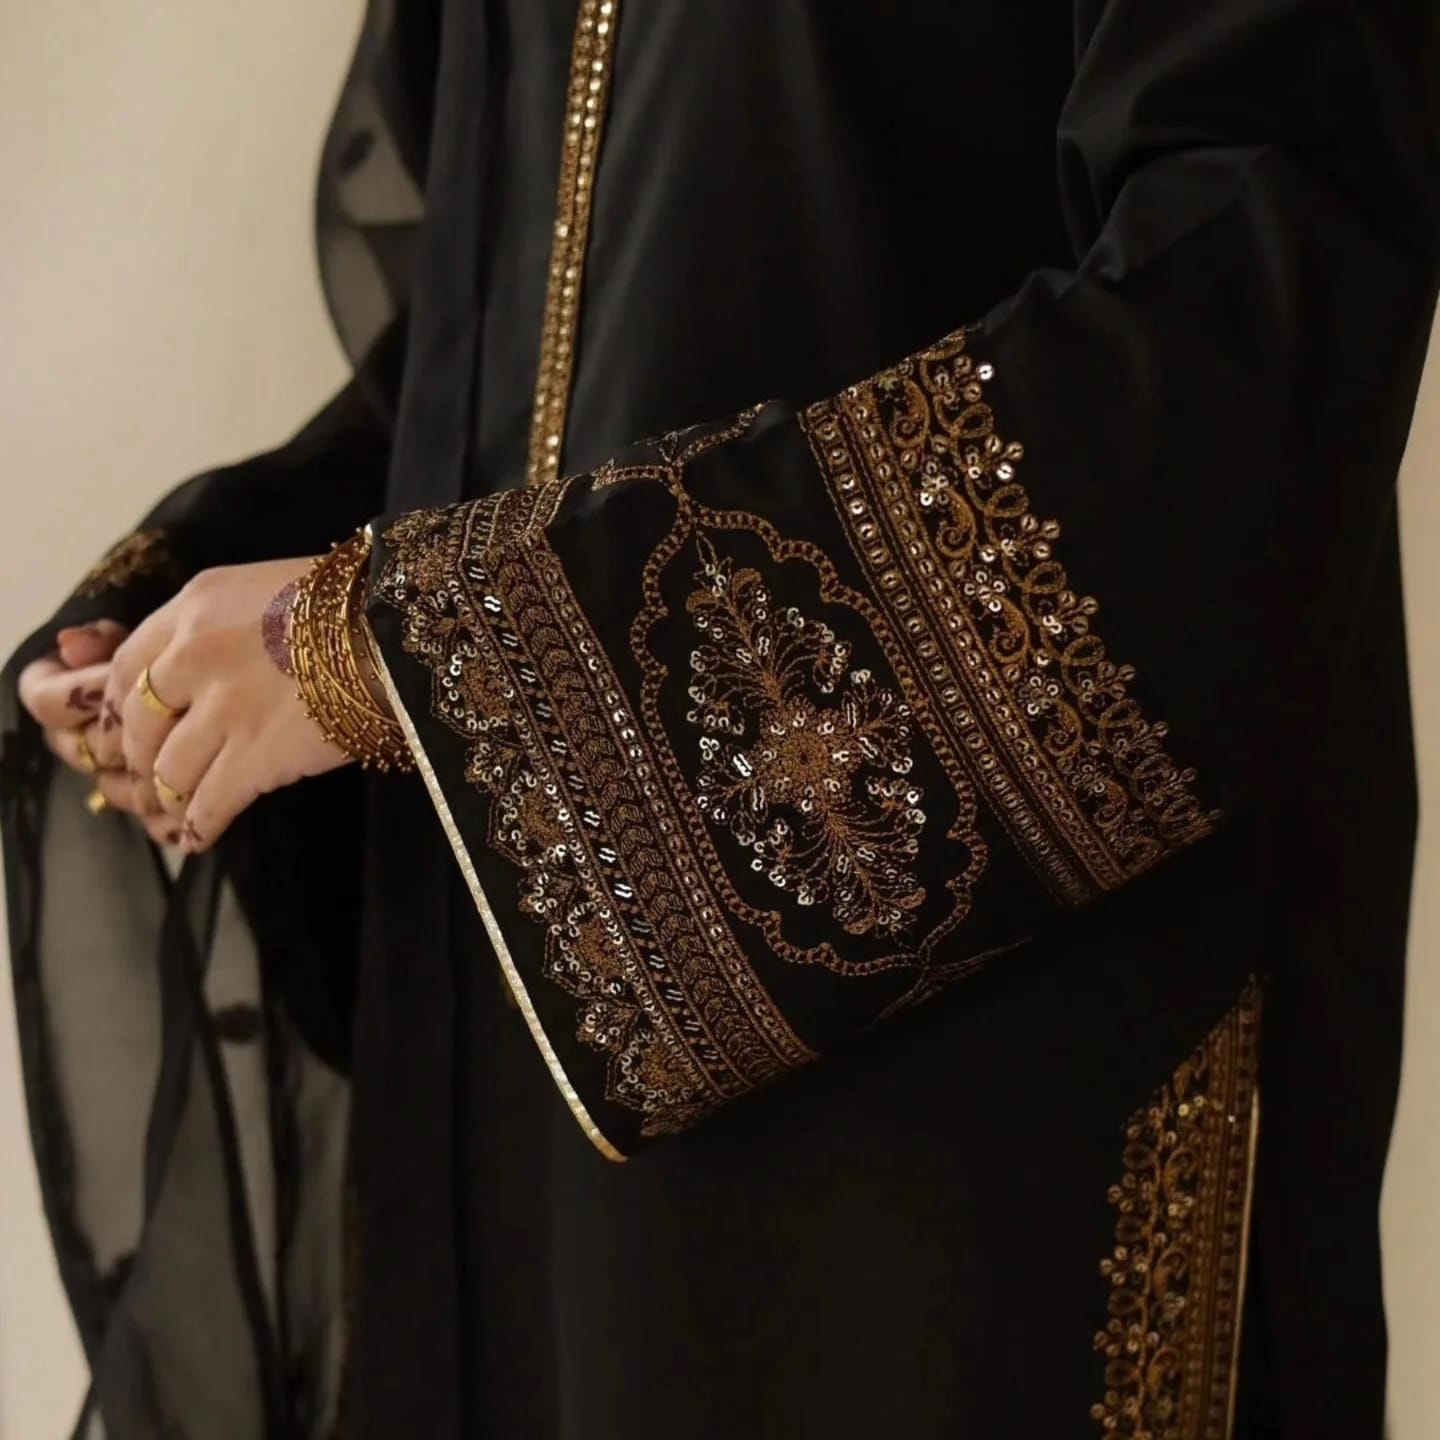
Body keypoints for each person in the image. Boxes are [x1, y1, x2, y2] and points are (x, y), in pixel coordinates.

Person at [5, 1, 1438, 1436]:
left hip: (974, 1137)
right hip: (541, 1107)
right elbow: (513, 346)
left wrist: (414, 648)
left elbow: (1252, 339)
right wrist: (244, 621)